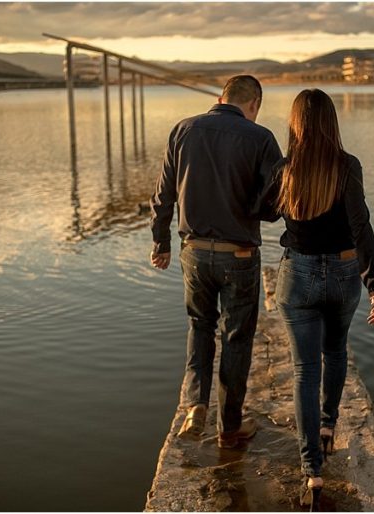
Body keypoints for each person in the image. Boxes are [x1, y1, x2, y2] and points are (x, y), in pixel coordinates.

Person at [263, 89, 374, 511]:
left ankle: (313, 474)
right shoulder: (348, 166)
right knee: (335, 354)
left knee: (303, 371)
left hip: (297, 276)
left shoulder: (286, 168)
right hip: (343, 273)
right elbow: (361, 226)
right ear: (332, 122)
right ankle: (330, 426)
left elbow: (261, 210)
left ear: (295, 122)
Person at [149, 75, 283, 449]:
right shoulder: (261, 138)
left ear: (221, 97)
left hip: (192, 252)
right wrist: (251, 209)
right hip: (238, 255)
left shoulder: (183, 129)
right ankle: (230, 427)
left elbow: (163, 194)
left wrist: (160, 241)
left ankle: (195, 405)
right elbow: (276, 202)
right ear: (254, 103)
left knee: (200, 326)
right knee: (236, 339)